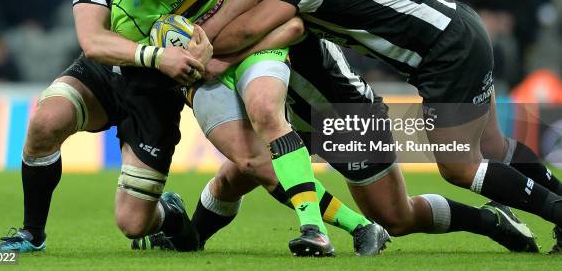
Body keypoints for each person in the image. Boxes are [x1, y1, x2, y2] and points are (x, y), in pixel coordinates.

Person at [207, 0, 562, 253]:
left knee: (459, 167)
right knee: (495, 148)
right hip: (460, 24)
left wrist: (199, 45)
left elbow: (252, 31)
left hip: (443, 52)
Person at [0, 0, 272, 253]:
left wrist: (211, 42)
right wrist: (156, 54)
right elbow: (92, 42)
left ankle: (169, 214)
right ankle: (31, 234)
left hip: (156, 90)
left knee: (133, 223)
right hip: (107, 70)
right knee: (45, 120)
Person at [109, 0, 391, 256]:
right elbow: (134, 68)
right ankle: (361, 226)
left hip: (254, 51)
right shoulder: (127, 9)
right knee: (250, 162)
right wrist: (176, 67)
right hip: (200, 78)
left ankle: (314, 231)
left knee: (266, 111)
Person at [155, 32, 535, 253]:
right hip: (299, 117)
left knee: (396, 217)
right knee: (238, 172)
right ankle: (189, 240)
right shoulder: (252, 5)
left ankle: (490, 219)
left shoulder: (279, 9)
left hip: (345, 115)